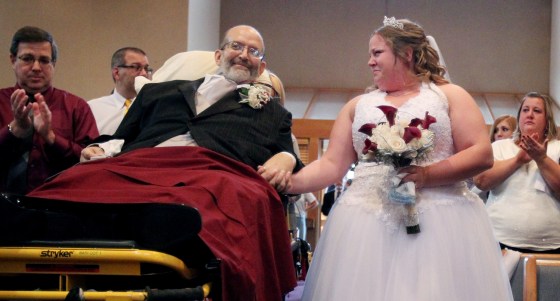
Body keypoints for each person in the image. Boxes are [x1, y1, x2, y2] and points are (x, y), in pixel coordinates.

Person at [7, 25, 303, 301]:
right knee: (77, 181)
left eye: (254, 51)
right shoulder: (157, 92)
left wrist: (287, 157)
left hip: (212, 168)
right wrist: (97, 148)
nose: (243, 54)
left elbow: (292, 162)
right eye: (236, 46)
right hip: (139, 163)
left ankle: (169, 227)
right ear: (218, 55)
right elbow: (120, 138)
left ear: (261, 67)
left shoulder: (272, 113)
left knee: (211, 192)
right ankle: (34, 214)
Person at [284, 17, 513, 300]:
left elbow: (481, 153)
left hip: (440, 225)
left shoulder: (449, 96)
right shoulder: (358, 105)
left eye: (377, 53)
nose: (369, 62)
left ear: (406, 54)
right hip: (366, 223)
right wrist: (288, 183)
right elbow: (332, 165)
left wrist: (427, 176)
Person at [0, 26, 98, 195]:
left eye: (44, 60)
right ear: (12, 60)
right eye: (27, 58)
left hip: (59, 209)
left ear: (53, 64)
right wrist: (14, 130)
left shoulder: (77, 107)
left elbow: (93, 163)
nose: (36, 67)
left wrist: (51, 138)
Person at [474, 92, 560, 253]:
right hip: (498, 239)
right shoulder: (500, 147)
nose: (530, 115)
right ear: (519, 117)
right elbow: (481, 181)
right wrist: (517, 161)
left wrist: (541, 159)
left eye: (537, 111)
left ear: (547, 121)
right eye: (525, 110)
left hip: (551, 243)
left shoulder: (557, 148)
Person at [88, 47, 152, 135]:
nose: (144, 73)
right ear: (116, 73)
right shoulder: (92, 109)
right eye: (137, 67)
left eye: (146, 68)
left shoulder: (154, 107)